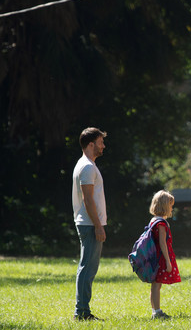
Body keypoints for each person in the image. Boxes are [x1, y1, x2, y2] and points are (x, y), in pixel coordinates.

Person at [72, 127, 107, 321]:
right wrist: (98, 225)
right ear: (91, 144)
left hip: (89, 223)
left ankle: (82, 310)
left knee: (87, 267)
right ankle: (82, 312)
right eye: (101, 142)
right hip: (90, 224)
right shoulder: (87, 167)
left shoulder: (86, 165)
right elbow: (88, 199)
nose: (103, 145)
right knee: (88, 268)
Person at [148, 190, 181, 319]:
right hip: (160, 258)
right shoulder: (161, 224)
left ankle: (155, 310)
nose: (171, 208)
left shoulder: (154, 220)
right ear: (164, 205)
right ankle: (156, 312)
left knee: (156, 285)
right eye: (170, 205)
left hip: (155, 257)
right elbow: (163, 243)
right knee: (156, 285)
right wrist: (168, 261)